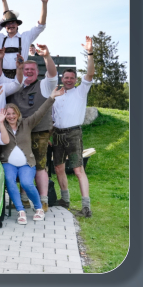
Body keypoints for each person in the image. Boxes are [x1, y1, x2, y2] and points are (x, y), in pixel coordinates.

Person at [0, 85, 64, 224]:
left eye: (13, 113)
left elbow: (41, 112)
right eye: (8, 114)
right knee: (9, 180)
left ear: (18, 114)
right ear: (4, 115)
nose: (11, 116)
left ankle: (39, 208)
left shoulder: (27, 123)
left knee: (26, 183)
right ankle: (20, 211)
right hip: (8, 163)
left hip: (26, 164)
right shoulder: (1, 125)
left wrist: (52, 97)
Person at [6, 44, 58, 211]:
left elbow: (53, 74)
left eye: (31, 69)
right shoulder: (15, 86)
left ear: (37, 72)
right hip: (18, 133)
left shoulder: (44, 85)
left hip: (39, 132)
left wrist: (46, 57)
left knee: (40, 166)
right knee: (23, 164)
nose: (28, 72)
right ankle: (23, 199)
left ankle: (43, 201)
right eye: (25, 69)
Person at [51, 36, 95, 217]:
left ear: (76, 79)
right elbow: (52, 117)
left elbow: (90, 74)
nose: (69, 80)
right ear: (62, 78)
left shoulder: (81, 91)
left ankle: (86, 207)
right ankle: (65, 200)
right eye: (66, 77)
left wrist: (90, 53)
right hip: (57, 134)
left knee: (78, 169)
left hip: (73, 134)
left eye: (72, 78)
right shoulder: (56, 94)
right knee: (58, 168)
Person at [0, 0, 50, 78]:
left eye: (13, 23)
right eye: (8, 23)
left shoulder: (26, 37)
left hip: (20, 78)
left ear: (17, 24)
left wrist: (44, 3)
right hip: (1, 79)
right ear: (4, 26)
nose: (10, 25)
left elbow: (40, 26)